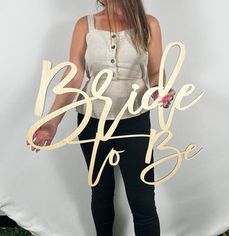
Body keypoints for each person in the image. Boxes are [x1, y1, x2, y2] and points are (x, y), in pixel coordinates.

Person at [27, 0, 176, 235]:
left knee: (143, 199)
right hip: (91, 121)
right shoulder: (84, 25)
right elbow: (73, 75)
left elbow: (156, 72)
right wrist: (51, 122)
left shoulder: (149, 24)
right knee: (101, 193)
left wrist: (160, 89)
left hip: (134, 120)